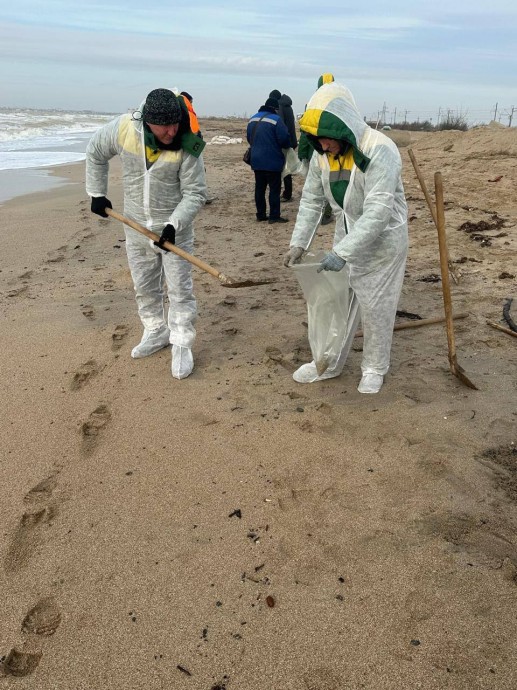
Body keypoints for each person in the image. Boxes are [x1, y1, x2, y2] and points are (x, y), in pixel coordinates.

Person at [283, 81, 408, 394]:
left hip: (383, 245)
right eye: (317, 140)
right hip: (347, 232)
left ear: (344, 128)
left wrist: (343, 252)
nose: (323, 146)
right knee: (336, 302)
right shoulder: (322, 155)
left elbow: (378, 212)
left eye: (327, 139)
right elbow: (312, 200)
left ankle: (374, 368)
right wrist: (299, 242)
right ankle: (328, 362)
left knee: (376, 308)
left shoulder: (380, 150)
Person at [86, 88, 207, 379]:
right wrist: (97, 193)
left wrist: (173, 225)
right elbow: (95, 151)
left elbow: (195, 193)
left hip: (174, 232)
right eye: (165, 126)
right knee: (144, 286)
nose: (171, 131)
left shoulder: (188, 144)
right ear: (147, 121)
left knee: (179, 290)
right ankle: (155, 331)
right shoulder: (126, 128)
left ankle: (181, 343)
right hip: (136, 228)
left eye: (175, 123)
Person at [246, 97, 291, 224]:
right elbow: (284, 140)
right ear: (275, 108)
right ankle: (274, 216)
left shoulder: (253, 118)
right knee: (274, 189)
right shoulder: (276, 120)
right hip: (273, 161)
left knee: (259, 188)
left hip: (256, 160)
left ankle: (260, 214)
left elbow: (249, 138)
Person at [298, 73, 335, 225]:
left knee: (315, 186)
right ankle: (326, 214)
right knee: (330, 183)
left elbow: (305, 131)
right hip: (334, 152)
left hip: (315, 152)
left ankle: (316, 215)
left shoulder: (312, 103)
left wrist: (302, 153)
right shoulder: (340, 102)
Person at [277, 93, 298, 201]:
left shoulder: (280, 106)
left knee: (285, 168)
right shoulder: (288, 107)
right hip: (292, 140)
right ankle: (287, 192)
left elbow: (281, 125)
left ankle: (286, 194)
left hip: (285, 142)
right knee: (287, 167)